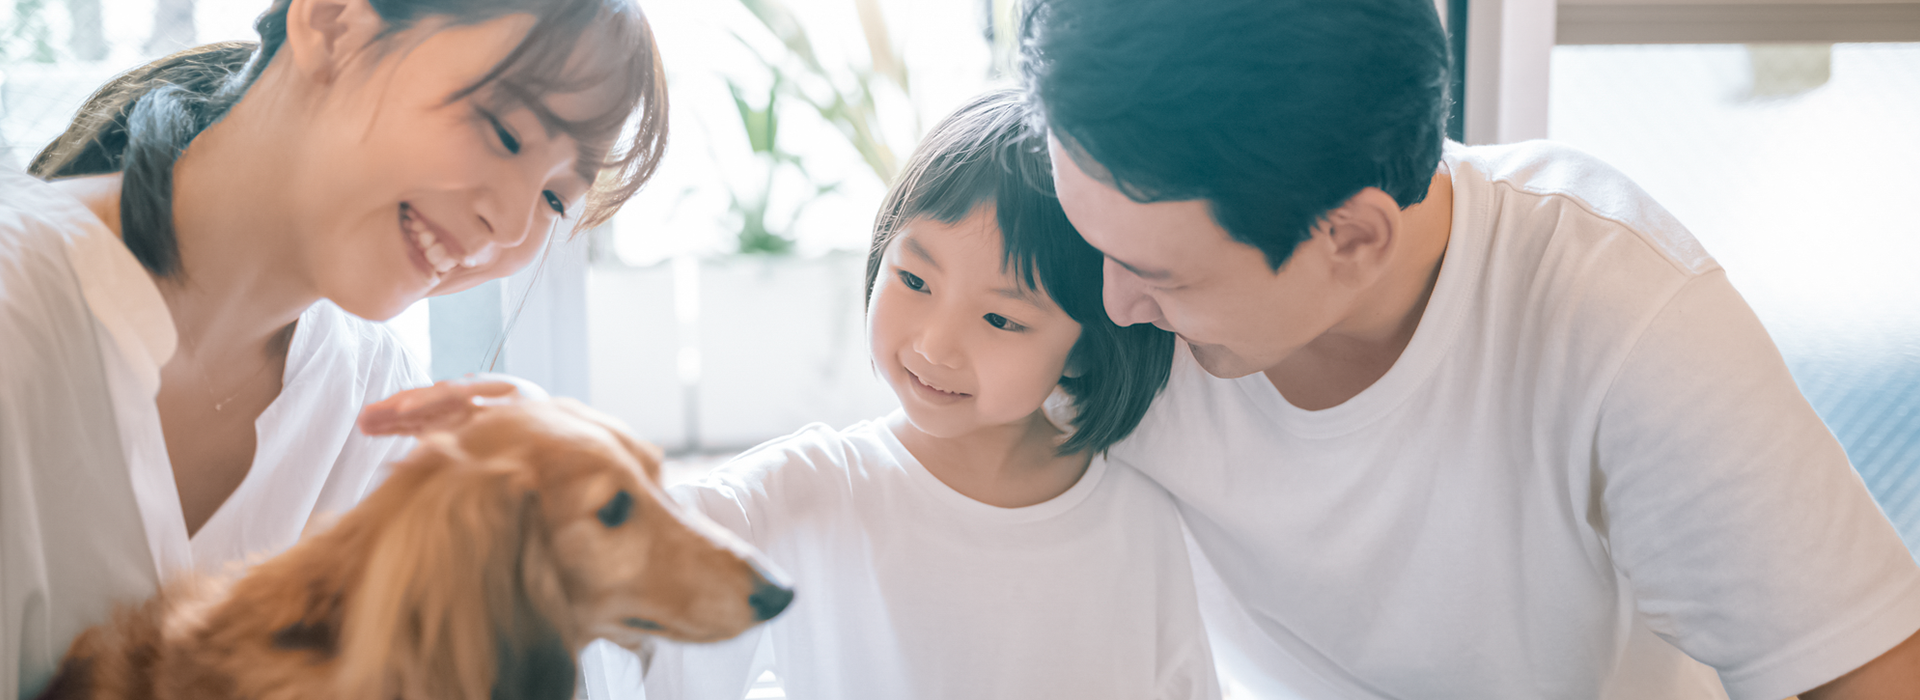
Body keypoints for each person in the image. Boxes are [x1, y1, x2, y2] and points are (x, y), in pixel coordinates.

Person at [1015, 0, 1920, 698]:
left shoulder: (1614, 311)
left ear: (1352, 239)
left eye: (1160, 275)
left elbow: (1865, 669)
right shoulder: (1088, 260)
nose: (1109, 304)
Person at [372, 88, 1221, 699]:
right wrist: (544, 441)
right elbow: (644, 541)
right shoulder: (818, 486)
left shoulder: (1141, 523)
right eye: (914, 278)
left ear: (1086, 346)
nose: (933, 342)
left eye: (1002, 321)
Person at [0, 0, 666, 697]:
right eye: (504, 133)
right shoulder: (21, 309)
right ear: (333, 25)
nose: (507, 223)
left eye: (556, 200)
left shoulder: (378, 405)